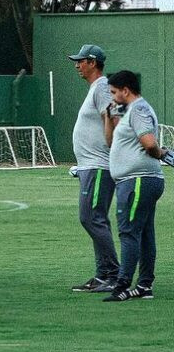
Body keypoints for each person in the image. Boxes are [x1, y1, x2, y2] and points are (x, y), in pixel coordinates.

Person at [102, 71, 171, 302]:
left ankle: (122, 285)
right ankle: (144, 286)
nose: (111, 97)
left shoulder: (139, 109)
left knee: (129, 232)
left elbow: (149, 142)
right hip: (137, 180)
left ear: (125, 90)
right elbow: (112, 143)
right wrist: (109, 117)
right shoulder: (129, 112)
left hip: (138, 180)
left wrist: (160, 152)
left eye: (113, 92)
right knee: (144, 234)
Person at [67, 45, 120, 293]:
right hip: (90, 166)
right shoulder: (95, 88)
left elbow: (112, 117)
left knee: (90, 218)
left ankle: (112, 274)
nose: (77, 65)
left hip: (99, 166)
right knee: (96, 219)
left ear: (92, 62)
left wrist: (113, 150)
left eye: (80, 61)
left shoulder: (101, 86)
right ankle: (103, 275)